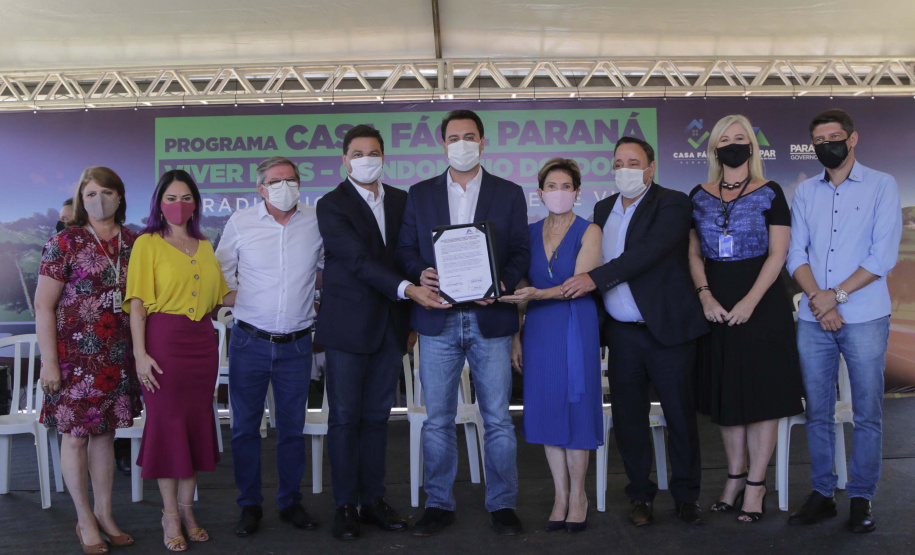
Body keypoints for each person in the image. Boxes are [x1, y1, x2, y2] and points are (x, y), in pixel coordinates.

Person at [560, 136, 709, 526]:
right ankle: (640, 496)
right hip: (622, 335)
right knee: (629, 420)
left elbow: (646, 255)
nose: (624, 169)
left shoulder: (673, 202)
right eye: (618, 162)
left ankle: (686, 496)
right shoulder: (603, 208)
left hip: (667, 330)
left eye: (633, 162)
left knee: (679, 417)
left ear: (650, 167)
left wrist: (593, 279)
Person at [395, 109, 530, 537]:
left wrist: (502, 281)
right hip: (438, 319)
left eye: (469, 136)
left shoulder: (509, 193)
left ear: (483, 142)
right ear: (443, 145)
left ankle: (503, 504)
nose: (462, 143)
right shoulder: (419, 194)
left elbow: (520, 251)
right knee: (438, 419)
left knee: (498, 418)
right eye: (454, 137)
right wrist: (421, 273)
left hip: (491, 316)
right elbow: (404, 250)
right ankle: (438, 503)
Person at [316, 125, 446, 540]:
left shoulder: (403, 201)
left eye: (373, 152)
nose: (365, 159)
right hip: (348, 330)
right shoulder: (330, 204)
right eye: (357, 153)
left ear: (384, 156)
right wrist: (409, 288)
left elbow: (409, 256)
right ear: (344, 160)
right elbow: (355, 260)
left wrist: (418, 285)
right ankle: (345, 505)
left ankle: (372, 500)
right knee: (344, 420)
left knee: (376, 420)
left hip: (391, 327)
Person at [786, 109, 902, 533]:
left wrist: (833, 298)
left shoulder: (881, 185)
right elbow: (795, 253)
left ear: (853, 140)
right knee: (818, 411)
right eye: (819, 139)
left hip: (865, 316)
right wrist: (821, 303)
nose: (826, 144)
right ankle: (823, 493)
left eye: (834, 136)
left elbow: (881, 257)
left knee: (867, 412)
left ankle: (860, 497)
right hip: (816, 318)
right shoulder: (806, 193)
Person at [688, 115, 804, 522]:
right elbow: (693, 253)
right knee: (727, 395)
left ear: (752, 147)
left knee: (762, 396)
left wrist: (752, 301)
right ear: (714, 148)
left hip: (762, 301)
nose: (733, 144)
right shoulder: (698, 195)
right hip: (715, 300)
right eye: (725, 138)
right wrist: (704, 296)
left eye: (741, 138)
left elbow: (779, 254)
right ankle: (734, 477)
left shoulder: (770, 192)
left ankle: (756, 485)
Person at [214, 156, 323, 537]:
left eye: (292, 179)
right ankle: (250, 506)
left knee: (292, 429)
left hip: (297, 343)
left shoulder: (315, 221)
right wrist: (251, 300)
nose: (285, 186)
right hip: (250, 340)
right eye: (276, 181)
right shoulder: (241, 223)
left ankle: (291, 502)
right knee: (245, 429)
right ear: (260, 189)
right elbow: (221, 275)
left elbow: (327, 268)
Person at [125, 169, 233, 552]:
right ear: (158, 203)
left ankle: (188, 511)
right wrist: (140, 355)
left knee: (195, 426)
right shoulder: (147, 243)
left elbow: (222, 296)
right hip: (163, 346)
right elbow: (137, 305)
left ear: (195, 204)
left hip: (201, 345)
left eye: (185, 197)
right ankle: (170, 515)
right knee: (168, 427)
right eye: (170, 198)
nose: (178, 204)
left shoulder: (204, 245)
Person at [36, 167, 142, 554]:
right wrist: (49, 363)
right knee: (75, 439)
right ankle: (84, 519)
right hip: (72, 361)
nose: (99, 200)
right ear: (82, 198)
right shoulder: (64, 242)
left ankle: (105, 513)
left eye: (107, 192)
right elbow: (43, 307)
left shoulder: (135, 243)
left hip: (117, 357)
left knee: (105, 438)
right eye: (91, 193)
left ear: (120, 196)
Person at [501, 158, 602, 533]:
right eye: (551, 186)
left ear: (577, 191)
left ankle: (579, 495)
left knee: (575, 407)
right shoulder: (527, 233)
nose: (558, 193)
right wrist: (516, 335)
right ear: (539, 192)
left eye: (566, 186)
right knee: (545, 409)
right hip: (539, 327)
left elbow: (579, 283)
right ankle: (560, 494)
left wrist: (538, 293)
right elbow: (520, 293)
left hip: (575, 322)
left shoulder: (590, 230)